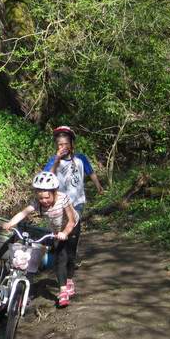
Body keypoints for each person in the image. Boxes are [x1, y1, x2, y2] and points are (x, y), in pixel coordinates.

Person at [0, 171, 79, 307]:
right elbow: (23, 212)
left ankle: (69, 279)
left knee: (70, 256)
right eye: (41, 198)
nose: (44, 201)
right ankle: (63, 291)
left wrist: (65, 233)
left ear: (54, 192)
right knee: (60, 257)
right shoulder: (37, 203)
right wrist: (10, 224)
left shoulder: (63, 199)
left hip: (72, 227)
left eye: (47, 197)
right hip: (56, 231)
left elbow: (71, 221)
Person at [43, 125, 105, 296]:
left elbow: (90, 172)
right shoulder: (53, 160)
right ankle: (64, 276)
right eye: (59, 144)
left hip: (77, 203)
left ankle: (68, 276)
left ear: (71, 144)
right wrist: (56, 161)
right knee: (61, 241)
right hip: (59, 204)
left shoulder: (80, 159)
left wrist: (98, 186)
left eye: (65, 144)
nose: (62, 147)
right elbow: (47, 177)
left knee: (71, 240)